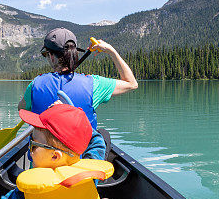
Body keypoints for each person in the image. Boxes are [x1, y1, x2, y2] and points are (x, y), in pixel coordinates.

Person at [19, 28, 138, 160]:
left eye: (45, 54)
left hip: (41, 167)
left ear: (52, 56)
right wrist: (111, 51)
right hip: (79, 167)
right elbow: (132, 83)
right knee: (103, 135)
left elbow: (22, 109)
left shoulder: (35, 84)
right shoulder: (93, 84)